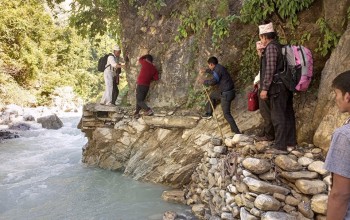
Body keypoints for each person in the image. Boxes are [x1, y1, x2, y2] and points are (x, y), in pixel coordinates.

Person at [258, 22, 296, 153]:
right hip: (286, 85)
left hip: (277, 88)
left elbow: (270, 69)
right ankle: (291, 143)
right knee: (288, 114)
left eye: (260, 37)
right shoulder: (280, 46)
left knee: (277, 116)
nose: (260, 40)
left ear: (264, 36)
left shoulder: (271, 48)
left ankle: (280, 146)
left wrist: (264, 88)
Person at [324, 70, 350, 220]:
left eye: (336, 93)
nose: (336, 98)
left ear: (347, 96)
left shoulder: (344, 135)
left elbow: (340, 194)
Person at [200, 56, 241, 135]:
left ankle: (237, 132)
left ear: (211, 64)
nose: (209, 66)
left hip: (226, 94)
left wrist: (204, 81)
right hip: (228, 92)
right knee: (212, 95)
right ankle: (208, 113)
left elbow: (214, 81)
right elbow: (213, 72)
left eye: (209, 65)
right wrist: (206, 70)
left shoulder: (218, 70)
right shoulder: (219, 67)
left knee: (226, 114)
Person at [254, 40, 275, 142]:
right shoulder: (265, 58)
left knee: (266, 112)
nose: (259, 52)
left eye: (261, 49)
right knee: (266, 112)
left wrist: (264, 89)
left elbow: (268, 74)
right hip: (266, 89)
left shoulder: (266, 58)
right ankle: (267, 132)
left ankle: (269, 135)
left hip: (266, 90)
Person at [134, 54, 159, 118]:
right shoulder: (154, 68)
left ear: (147, 59)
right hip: (146, 86)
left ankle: (148, 110)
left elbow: (140, 59)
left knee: (139, 100)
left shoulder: (145, 62)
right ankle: (136, 113)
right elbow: (156, 78)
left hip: (141, 84)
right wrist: (150, 78)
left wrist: (145, 55)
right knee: (140, 100)